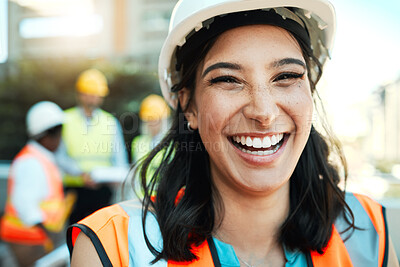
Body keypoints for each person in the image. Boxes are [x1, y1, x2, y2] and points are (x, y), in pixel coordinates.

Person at [68, 0, 400, 266]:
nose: (264, 113)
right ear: (189, 107)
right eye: (228, 79)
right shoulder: (114, 248)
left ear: (309, 92)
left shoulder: (369, 232)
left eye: (285, 75)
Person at [0, 101, 73, 267]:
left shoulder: (41, 157)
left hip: (33, 238)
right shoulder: (31, 162)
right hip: (27, 239)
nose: (61, 139)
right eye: (59, 134)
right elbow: (25, 205)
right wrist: (50, 233)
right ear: (47, 135)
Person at [59, 68, 129, 224]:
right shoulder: (65, 119)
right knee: (74, 235)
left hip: (102, 191)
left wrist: (116, 177)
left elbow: (119, 159)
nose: (92, 99)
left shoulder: (110, 122)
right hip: (75, 191)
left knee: (100, 235)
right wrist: (80, 175)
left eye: (96, 95)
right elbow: (59, 156)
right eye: (89, 94)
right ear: (80, 94)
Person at [131, 94, 170, 180]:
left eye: (156, 120)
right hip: (141, 193)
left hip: (162, 192)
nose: (153, 124)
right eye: (149, 120)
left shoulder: (172, 144)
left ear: (163, 120)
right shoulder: (138, 142)